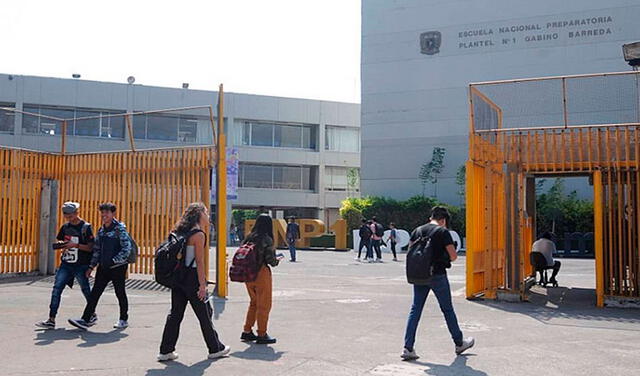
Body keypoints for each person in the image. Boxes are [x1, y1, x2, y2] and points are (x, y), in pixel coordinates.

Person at [158, 203, 230, 361]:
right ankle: (215, 348)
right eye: (206, 213)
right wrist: (202, 285)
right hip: (192, 280)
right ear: (199, 214)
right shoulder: (198, 234)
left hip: (177, 279)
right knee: (204, 315)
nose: (208, 216)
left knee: (175, 314)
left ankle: (165, 350)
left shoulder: (180, 231)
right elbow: (199, 261)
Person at [402, 206, 474, 360]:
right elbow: (453, 256)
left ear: (431, 217)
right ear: (443, 220)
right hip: (438, 275)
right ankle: (459, 343)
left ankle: (408, 348)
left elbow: (410, 251)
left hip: (419, 275)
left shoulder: (417, 230)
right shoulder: (443, 232)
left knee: (415, 309)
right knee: (447, 309)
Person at [68, 203, 132, 330]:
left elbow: (127, 248)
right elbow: (97, 250)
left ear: (113, 214)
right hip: (103, 267)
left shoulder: (119, 229)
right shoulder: (101, 230)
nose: (104, 215)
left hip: (118, 268)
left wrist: (114, 261)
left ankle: (123, 319)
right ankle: (86, 319)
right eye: (102, 213)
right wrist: (91, 266)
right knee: (95, 293)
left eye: (107, 213)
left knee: (120, 293)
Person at [36, 202, 97, 329]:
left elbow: (91, 247)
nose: (68, 218)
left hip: (81, 264)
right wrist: (62, 244)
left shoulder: (85, 227)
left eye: (70, 215)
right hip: (66, 263)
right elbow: (61, 239)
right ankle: (51, 319)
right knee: (56, 289)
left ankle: (91, 314)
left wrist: (75, 245)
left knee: (86, 289)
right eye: (66, 215)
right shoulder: (65, 227)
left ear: (76, 213)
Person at [240, 213, 280, 344]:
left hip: (248, 274)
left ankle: (247, 331)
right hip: (261, 273)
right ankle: (262, 333)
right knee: (264, 304)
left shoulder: (249, 238)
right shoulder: (266, 239)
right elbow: (271, 261)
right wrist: (277, 259)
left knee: (254, 302)